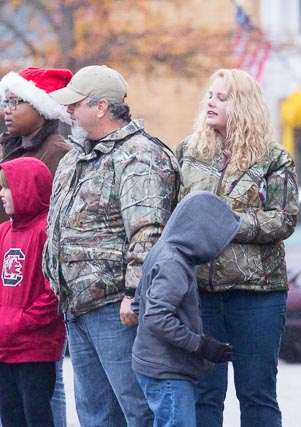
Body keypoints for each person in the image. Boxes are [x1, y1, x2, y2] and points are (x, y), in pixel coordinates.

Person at [42, 65, 180, 427]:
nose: (68, 111)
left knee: (136, 408)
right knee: (94, 414)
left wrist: (133, 294)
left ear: (101, 107)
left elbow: (148, 232)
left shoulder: (139, 156)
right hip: (77, 305)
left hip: (116, 309)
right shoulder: (75, 157)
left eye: (76, 104)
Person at [174, 68, 298, 427]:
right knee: (204, 394)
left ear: (243, 105)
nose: (211, 102)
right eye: (210, 95)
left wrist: (226, 223)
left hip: (256, 293)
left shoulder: (274, 158)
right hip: (200, 292)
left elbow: (284, 220)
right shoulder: (188, 151)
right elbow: (174, 217)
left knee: (257, 394)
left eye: (221, 97)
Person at [0, 66, 72, 427]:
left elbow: (53, 237)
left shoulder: (58, 153)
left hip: (33, 308)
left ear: (41, 108)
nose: (6, 109)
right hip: (10, 269)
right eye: (5, 101)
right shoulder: (10, 147)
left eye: (16, 102)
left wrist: (21, 321)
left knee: (45, 394)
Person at [132, 191, 241, 427]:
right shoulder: (174, 263)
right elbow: (156, 317)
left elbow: (139, 303)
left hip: (155, 366)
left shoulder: (163, 249)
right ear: (202, 233)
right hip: (168, 373)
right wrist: (200, 345)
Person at [0, 157, 65, 427]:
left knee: (36, 416)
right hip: (4, 347)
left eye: (7, 187)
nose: (1, 194)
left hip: (35, 348)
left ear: (27, 188)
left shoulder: (45, 232)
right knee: (11, 417)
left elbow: (53, 293)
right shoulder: (3, 231)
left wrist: (20, 322)